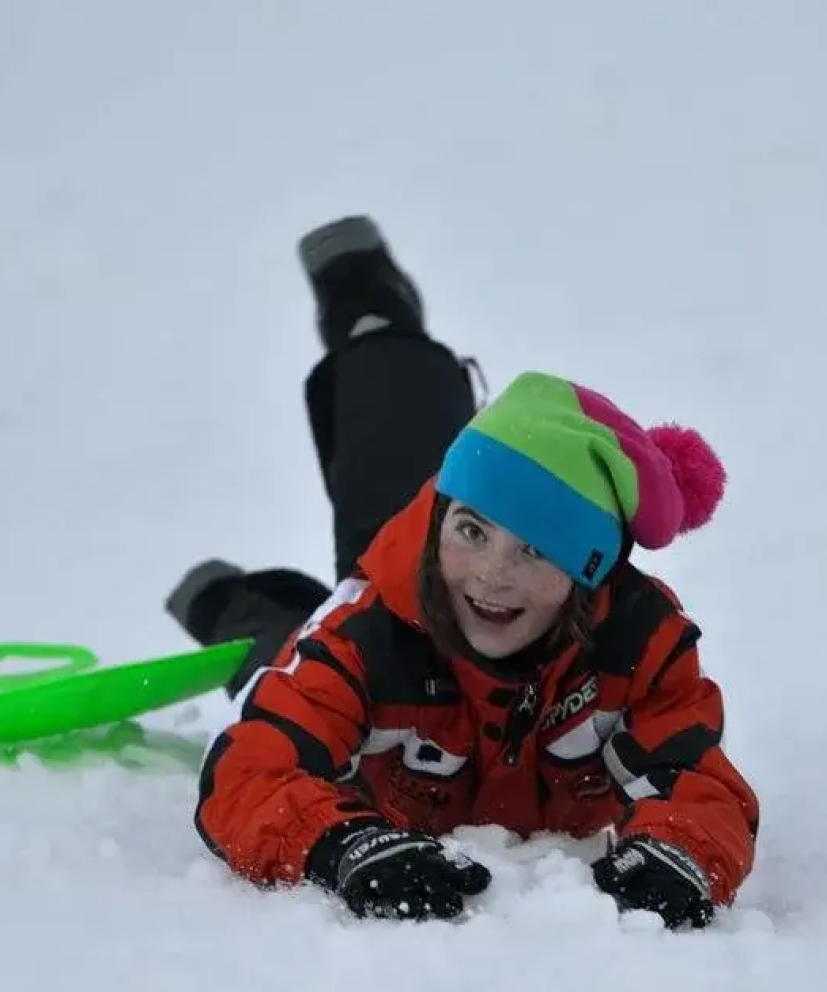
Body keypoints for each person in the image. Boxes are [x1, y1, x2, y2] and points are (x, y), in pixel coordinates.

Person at [164, 215, 759, 928]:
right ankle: (365, 307)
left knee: (429, 556)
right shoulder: (367, 632)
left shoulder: (638, 644)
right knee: (284, 647)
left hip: (438, 589)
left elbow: (700, 781)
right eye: (472, 533)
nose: (491, 574)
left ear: (586, 575)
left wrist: (682, 851)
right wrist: (338, 843)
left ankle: (246, 593)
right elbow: (250, 770)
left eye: (535, 551)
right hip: (404, 606)